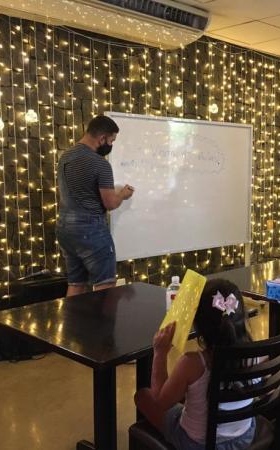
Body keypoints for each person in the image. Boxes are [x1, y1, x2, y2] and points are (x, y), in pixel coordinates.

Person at [135, 279, 256, 450]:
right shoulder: (255, 354)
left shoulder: (192, 363)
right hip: (244, 436)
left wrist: (160, 353)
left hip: (198, 444)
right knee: (191, 392)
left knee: (142, 396)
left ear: (198, 323)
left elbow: (160, 402)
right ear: (241, 315)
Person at [56, 115, 134, 297]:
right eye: (111, 140)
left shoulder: (65, 157)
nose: (111, 145)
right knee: (104, 285)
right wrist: (122, 194)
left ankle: (72, 325)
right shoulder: (100, 164)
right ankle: (104, 326)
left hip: (65, 228)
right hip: (90, 230)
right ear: (102, 139)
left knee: (76, 282)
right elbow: (110, 203)